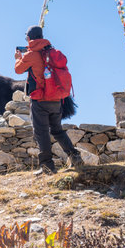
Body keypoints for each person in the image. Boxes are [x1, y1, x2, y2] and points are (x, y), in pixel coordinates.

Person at [14, 25, 83, 175]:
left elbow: (18, 70)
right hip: (56, 99)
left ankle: (47, 167)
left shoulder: (31, 55)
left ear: (29, 38)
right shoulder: (51, 51)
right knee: (57, 130)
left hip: (40, 100)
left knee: (41, 133)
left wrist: (18, 58)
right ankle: (75, 157)